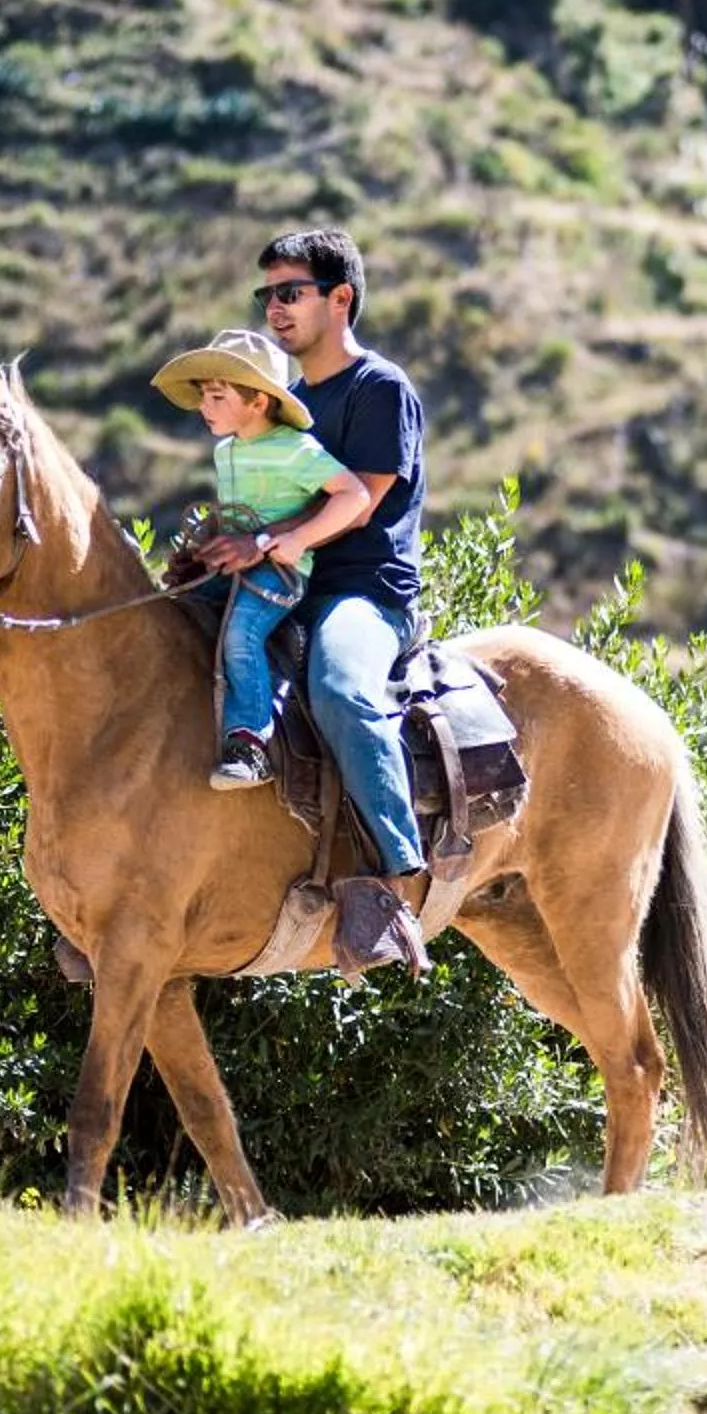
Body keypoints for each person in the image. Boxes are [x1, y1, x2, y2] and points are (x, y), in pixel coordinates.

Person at [185, 229, 437, 975]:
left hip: (360, 590)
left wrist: (262, 544)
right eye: (267, 295)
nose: (275, 308)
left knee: (339, 687)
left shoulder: (378, 389)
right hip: (275, 584)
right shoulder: (277, 406)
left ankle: (395, 882)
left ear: (340, 298)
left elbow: (361, 503)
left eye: (289, 292)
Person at [151, 329, 371, 791]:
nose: (203, 407)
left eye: (215, 396)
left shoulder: (297, 450)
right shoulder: (226, 450)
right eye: (203, 397)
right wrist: (206, 546)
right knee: (172, 610)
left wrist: (296, 540)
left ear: (258, 403)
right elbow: (236, 519)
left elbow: (354, 494)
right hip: (235, 567)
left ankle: (250, 742)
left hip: (281, 572)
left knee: (240, 634)